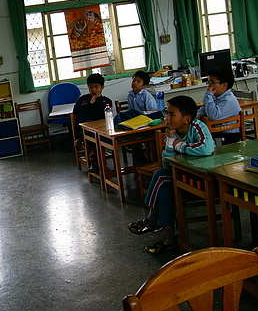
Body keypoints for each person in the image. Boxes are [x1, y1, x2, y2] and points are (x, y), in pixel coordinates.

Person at [128, 95, 214, 254]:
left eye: (171, 114)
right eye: (166, 113)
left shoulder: (197, 127)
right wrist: (170, 141)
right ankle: (169, 239)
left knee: (161, 176)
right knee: (165, 188)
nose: (166, 118)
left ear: (187, 119)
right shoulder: (172, 133)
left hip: (201, 179)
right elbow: (167, 164)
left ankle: (152, 219)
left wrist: (179, 145)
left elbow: (206, 149)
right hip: (181, 178)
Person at [72, 73, 113, 173]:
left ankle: (94, 160)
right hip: (83, 130)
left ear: (102, 87)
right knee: (91, 136)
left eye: (96, 87)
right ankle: (94, 162)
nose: (93, 90)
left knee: (95, 136)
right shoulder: (82, 100)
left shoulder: (106, 101)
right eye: (91, 87)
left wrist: (96, 102)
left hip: (101, 130)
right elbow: (75, 117)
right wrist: (75, 137)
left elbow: (105, 118)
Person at [196, 67, 242, 146]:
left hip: (228, 136)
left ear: (224, 85)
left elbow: (213, 115)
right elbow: (204, 109)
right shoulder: (216, 97)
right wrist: (198, 115)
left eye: (212, 83)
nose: (209, 86)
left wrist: (208, 95)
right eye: (208, 82)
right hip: (217, 132)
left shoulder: (228, 100)